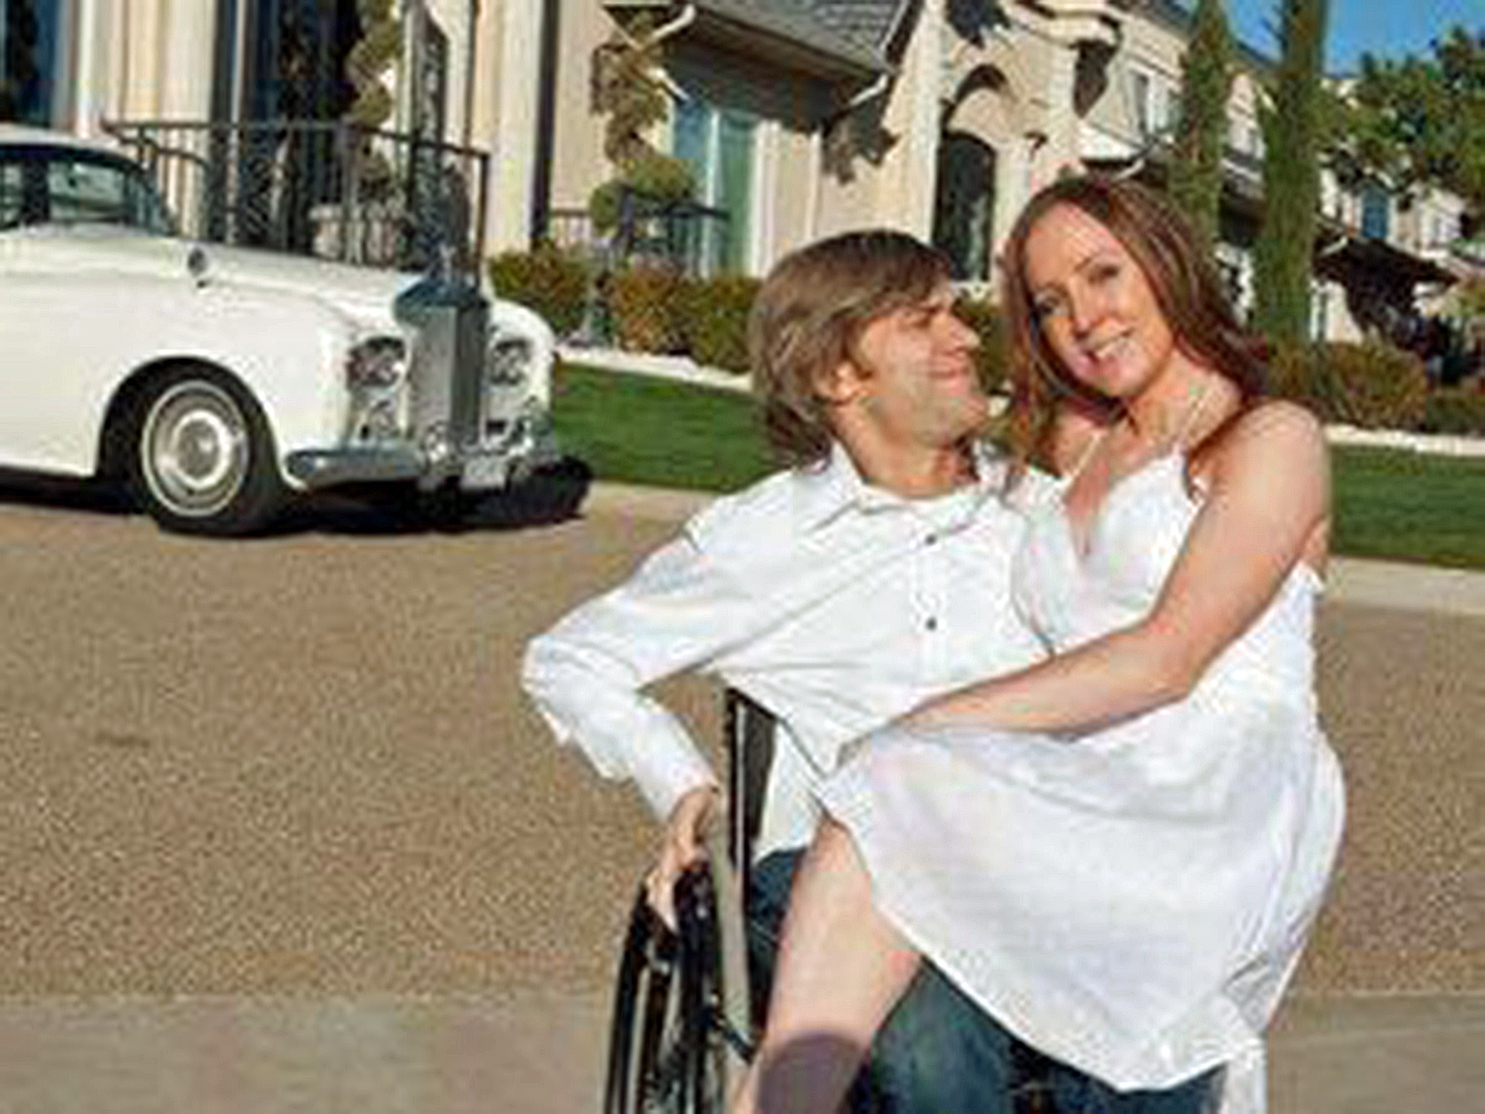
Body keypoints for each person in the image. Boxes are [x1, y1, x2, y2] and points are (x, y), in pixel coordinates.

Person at [730, 176, 1346, 1114]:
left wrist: (924, 724)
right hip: (1081, 763)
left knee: (894, 777)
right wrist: (696, 785)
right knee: (881, 808)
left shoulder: (1270, 438)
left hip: (1206, 778)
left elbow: (1167, 657)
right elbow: (893, 473)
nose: (1083, 319)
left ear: (1167, 261)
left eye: (1103, 275)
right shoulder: (1076, 439)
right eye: (1050, 303)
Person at [524, 229, 1173, 1111]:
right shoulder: (766, 540)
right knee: (930, 1049)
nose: (967, 337)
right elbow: (571, 658)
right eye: (923, 321)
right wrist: (677, 783)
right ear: (837, 376)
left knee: (1167, 1022)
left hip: (1030, 859)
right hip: (842, 868)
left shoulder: (1039, 511)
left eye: (955, 311)